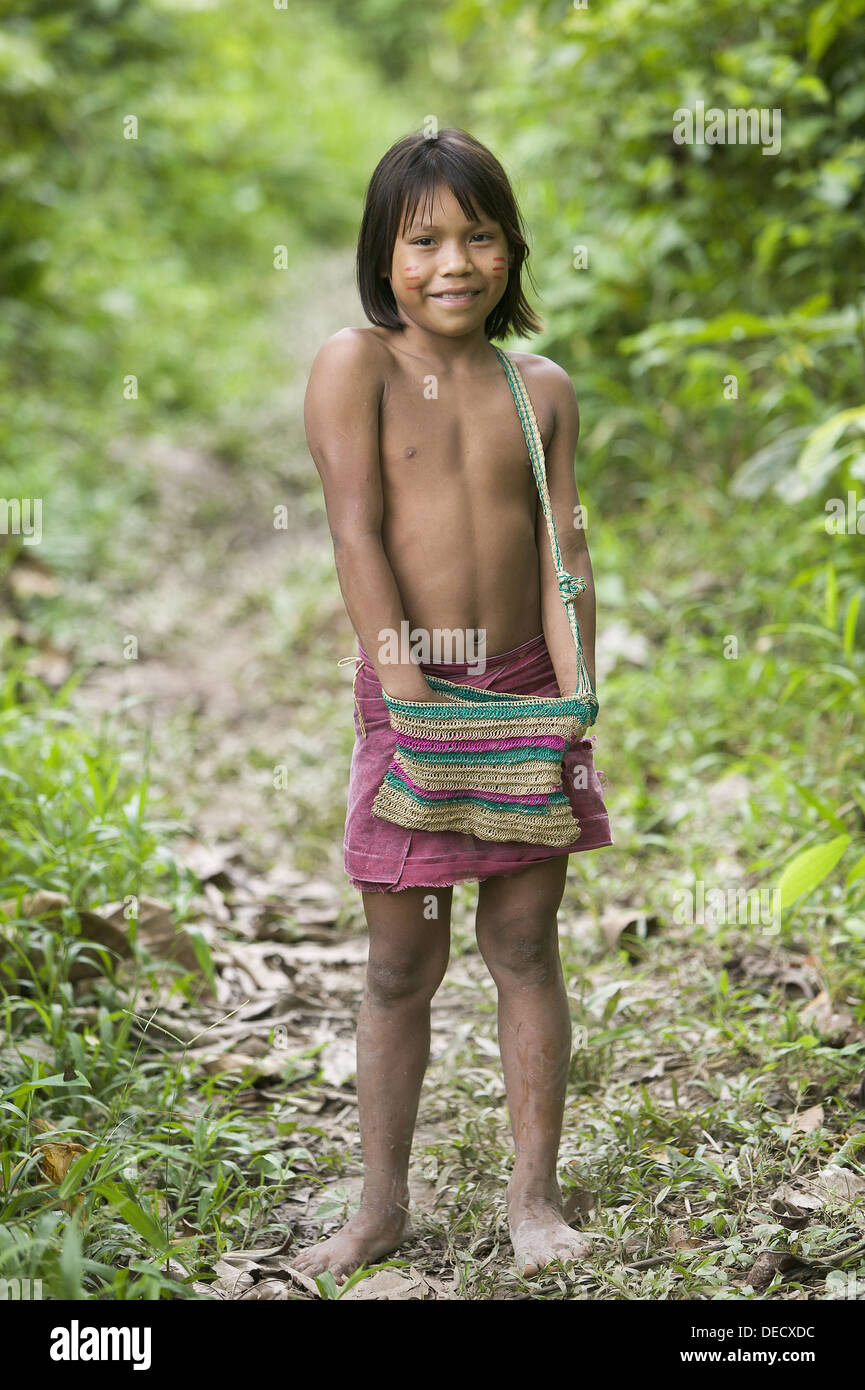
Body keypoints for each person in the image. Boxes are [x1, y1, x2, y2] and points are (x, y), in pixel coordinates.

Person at [298, 127, 613, 1283]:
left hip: (528, 691)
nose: (453, 263)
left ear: (511, 248)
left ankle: (533, 1199)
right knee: (399, 963)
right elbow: (355, 528)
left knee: (525, 946)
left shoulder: (541, 390)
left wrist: (579, 683)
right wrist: (407, 686)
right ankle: (378, 1208)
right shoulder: (358, 365)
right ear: (383, 254)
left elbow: (563, 551)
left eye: (478, 236)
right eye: (423, 239)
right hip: (412, 691)